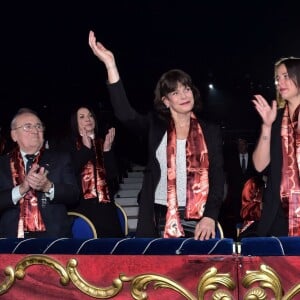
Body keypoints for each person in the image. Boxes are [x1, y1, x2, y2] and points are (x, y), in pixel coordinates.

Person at [88, 30, 225, 240]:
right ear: (166, 101)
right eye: (175, 92)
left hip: (199, 215)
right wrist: (110, 64)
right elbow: (124, 114)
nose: (184, 95)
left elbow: (217, 176)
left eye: (186, 89)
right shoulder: (155, 125)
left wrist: (210, 216)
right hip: (160, 212)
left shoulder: (210, 130)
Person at [0, 108, 79, 238]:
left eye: (38, 126)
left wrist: (49, 187)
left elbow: (74, 195)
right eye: (28, 126)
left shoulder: (61, 159)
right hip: (11, 239)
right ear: (14, 135)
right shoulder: (2, 164)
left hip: (54, 237)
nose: (35, 131)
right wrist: (21, 189)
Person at [247, 56, 300, 237]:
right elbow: (259, 166)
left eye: (286, 76)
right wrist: (267, 126)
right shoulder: (274, 117)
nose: (280, 82)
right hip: (277, 213)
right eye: (278, 78)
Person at [62, 105, 124, 237]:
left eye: (90, 115)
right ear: (75, 122)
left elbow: (113, 176)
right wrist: (85, 149)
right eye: (82, 117)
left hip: (106, 207)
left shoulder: (103, 142)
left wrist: (107, 151)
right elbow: (69, 172)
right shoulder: (67, 145)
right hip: (82, 207)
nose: (88, 119)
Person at [219, 138, 258, 239]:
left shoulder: (254, 157)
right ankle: (238, 238)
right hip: (236, 195)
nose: (240, 147)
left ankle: (249, 237)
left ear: (246, 145)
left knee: (250, 218)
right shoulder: (231, 159)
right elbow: (228, 176)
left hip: (251, 196)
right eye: (238, 145)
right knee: (237, 219)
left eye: (242, 144)